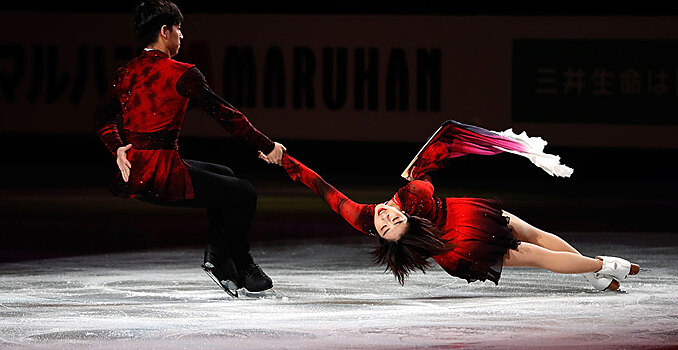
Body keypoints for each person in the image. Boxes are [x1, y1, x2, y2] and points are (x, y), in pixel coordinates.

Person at [265, 121, 639, 291]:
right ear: (401, 231)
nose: (385, 215)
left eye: (387, 220)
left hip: (466, 216)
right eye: (390, 224)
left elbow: (320, 186)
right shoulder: (413, 199)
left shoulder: (369, 215)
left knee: (537, 238)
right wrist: (416, 176)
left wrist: (285, 161)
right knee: (535, 253)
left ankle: (596, 272)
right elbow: (425, 182)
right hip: (463, 239)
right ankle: (604, 265)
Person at [93, 0, 285, 297]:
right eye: (179, 29)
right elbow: (227, 115)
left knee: (225, 174)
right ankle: (242, 265)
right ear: (165, 30)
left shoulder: (126, 72)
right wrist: (267, 145)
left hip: (137, 172)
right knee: (244, 192)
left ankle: (217, 256)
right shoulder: (182, 73)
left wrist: (117, 148)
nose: (182, 36)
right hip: (163, 176)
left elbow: (101, 118)